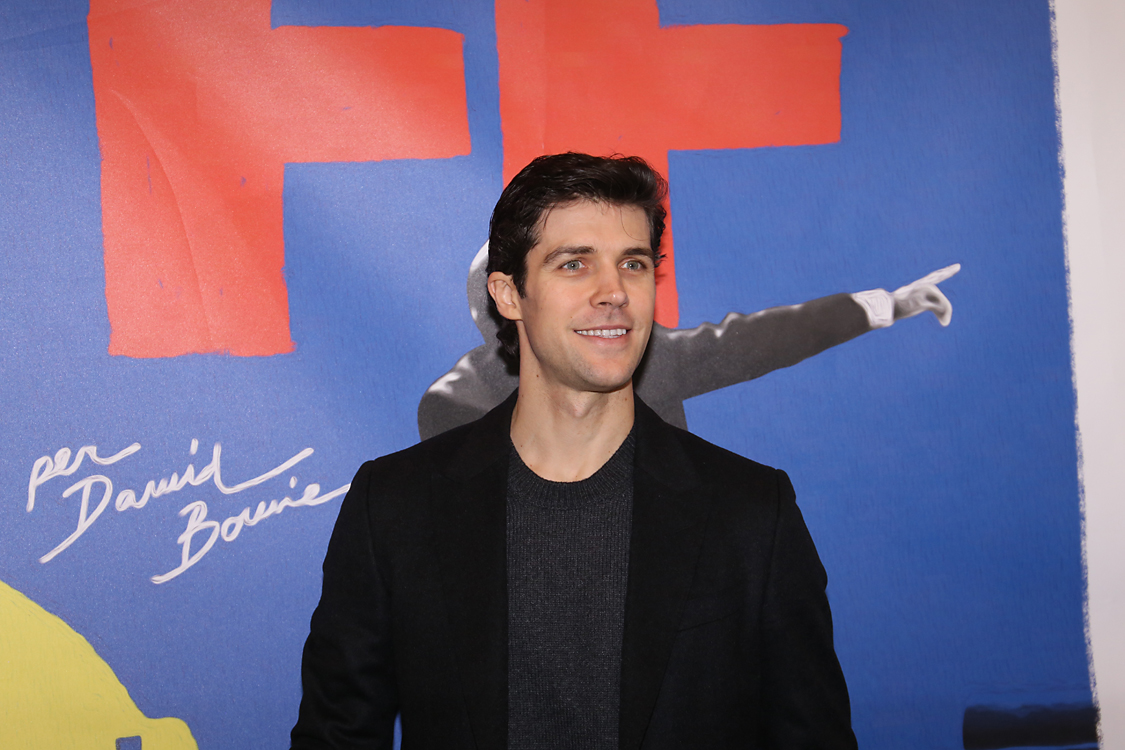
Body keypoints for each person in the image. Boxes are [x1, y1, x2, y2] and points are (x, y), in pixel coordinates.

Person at [292, 153, 858, 749]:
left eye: (633, 264)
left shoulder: (750, 512)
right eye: (574, 264)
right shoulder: (396, 507)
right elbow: (336, 738)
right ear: (509, 296)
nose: (613, 292)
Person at [418, 245, 959, 439]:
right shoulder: (458, 404)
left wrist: (890, 304)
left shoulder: (647, 357)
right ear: (504, 304)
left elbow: (757, 341)